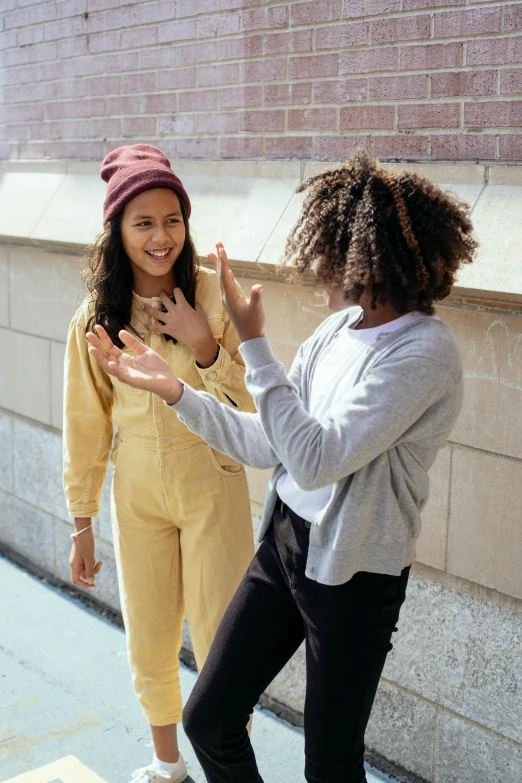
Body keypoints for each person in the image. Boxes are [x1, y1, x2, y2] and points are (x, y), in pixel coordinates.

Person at [86, 150, 476, 783]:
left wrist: (256, 344)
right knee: (209, 719)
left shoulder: (425, 352)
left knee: (329, 765)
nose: (315, 269)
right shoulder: (338, 330)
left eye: (326, 255)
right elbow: (273, 443)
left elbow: (319, 459)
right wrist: (177, 391)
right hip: (286, 545)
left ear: (363, 258)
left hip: (354, 575)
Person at [63, 144, 256, 783]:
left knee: (222, 640)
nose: (160, 236)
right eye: (142, 221)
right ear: (117, 229)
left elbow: (256, 407)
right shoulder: (97, 316)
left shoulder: (212, 295)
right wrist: (81, 519)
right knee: (149, 632)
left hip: (214, 486)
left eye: (172, 218)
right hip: (138, 492)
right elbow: (85, 425)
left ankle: (227, 767)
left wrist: (205, 345)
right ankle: (167, 763)